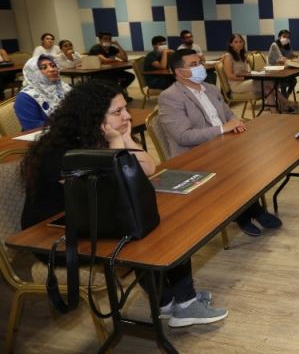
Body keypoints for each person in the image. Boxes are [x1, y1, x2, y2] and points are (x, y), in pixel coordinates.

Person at [19, 80, 227, 328]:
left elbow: (149, 168)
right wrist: (117, 145)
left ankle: (170, 301)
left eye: (125, 109)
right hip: (53, 237)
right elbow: (112, 191)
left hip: (88, 219)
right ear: (94, 116)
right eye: (118, 112)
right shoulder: (62, 152)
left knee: (157, 220)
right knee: (153, 230)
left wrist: (126, 139)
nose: (127, 116)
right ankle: (183, 303)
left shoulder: (96, 136)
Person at [159, 49, 282, 237]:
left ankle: (251, 208)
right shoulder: (170, 97)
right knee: (232, 167)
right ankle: (243, 214)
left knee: (253, 159)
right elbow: (183, 136)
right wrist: (223, 129)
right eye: (193, 65)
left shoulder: (210, 88)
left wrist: (235, 123)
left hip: (223, 143)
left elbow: (228, 113)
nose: (200, 67)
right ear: (179, 72)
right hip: (195, 154)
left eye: (200, 63)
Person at [222, 33, 289, 112]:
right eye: (236, 42)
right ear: (231, 44)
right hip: (237, 85)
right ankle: (286, 102)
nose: (239, 44)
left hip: (246, 81)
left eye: (240, 41)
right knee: (269, 82)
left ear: (243, 43)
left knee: (268, 89)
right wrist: (245, 78)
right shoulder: (228, 56)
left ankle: (275, 112)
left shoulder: (241, 55)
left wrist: (252, 74)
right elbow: (229, 76)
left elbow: (245, 71)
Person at [13, 54, 71, 131]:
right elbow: (32, 127)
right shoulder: (25, 97)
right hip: (46, 134)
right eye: (44, 67)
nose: (52, 69)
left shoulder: (65, 87)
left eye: (53, 65)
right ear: (33, 73)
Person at [87, 32, 135, 99]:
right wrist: (116, 61)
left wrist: (118, 45)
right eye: (105, 39)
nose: (108, 40)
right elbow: (104, 60)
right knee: (112, 80)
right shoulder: (96, 49)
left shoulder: (112, 48)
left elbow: (125, 58)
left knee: (130, 76)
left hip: (111, 71)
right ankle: (116, 93)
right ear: (100, 40)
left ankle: (116, 92)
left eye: (109, 39)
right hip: (99, 73)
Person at [267, 30, 297, 98]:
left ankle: (286, 97)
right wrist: (289, 58)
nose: (286, 38)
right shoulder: (274, 45)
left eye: (288, 37)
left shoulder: (287, 45)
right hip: (273, 71)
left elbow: (290, 55)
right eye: (284, 36)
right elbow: (281, 58)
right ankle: (284, 100)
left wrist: (297, 57)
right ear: (279, 37)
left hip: (283, 70)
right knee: (283, 82)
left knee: (294, 81)